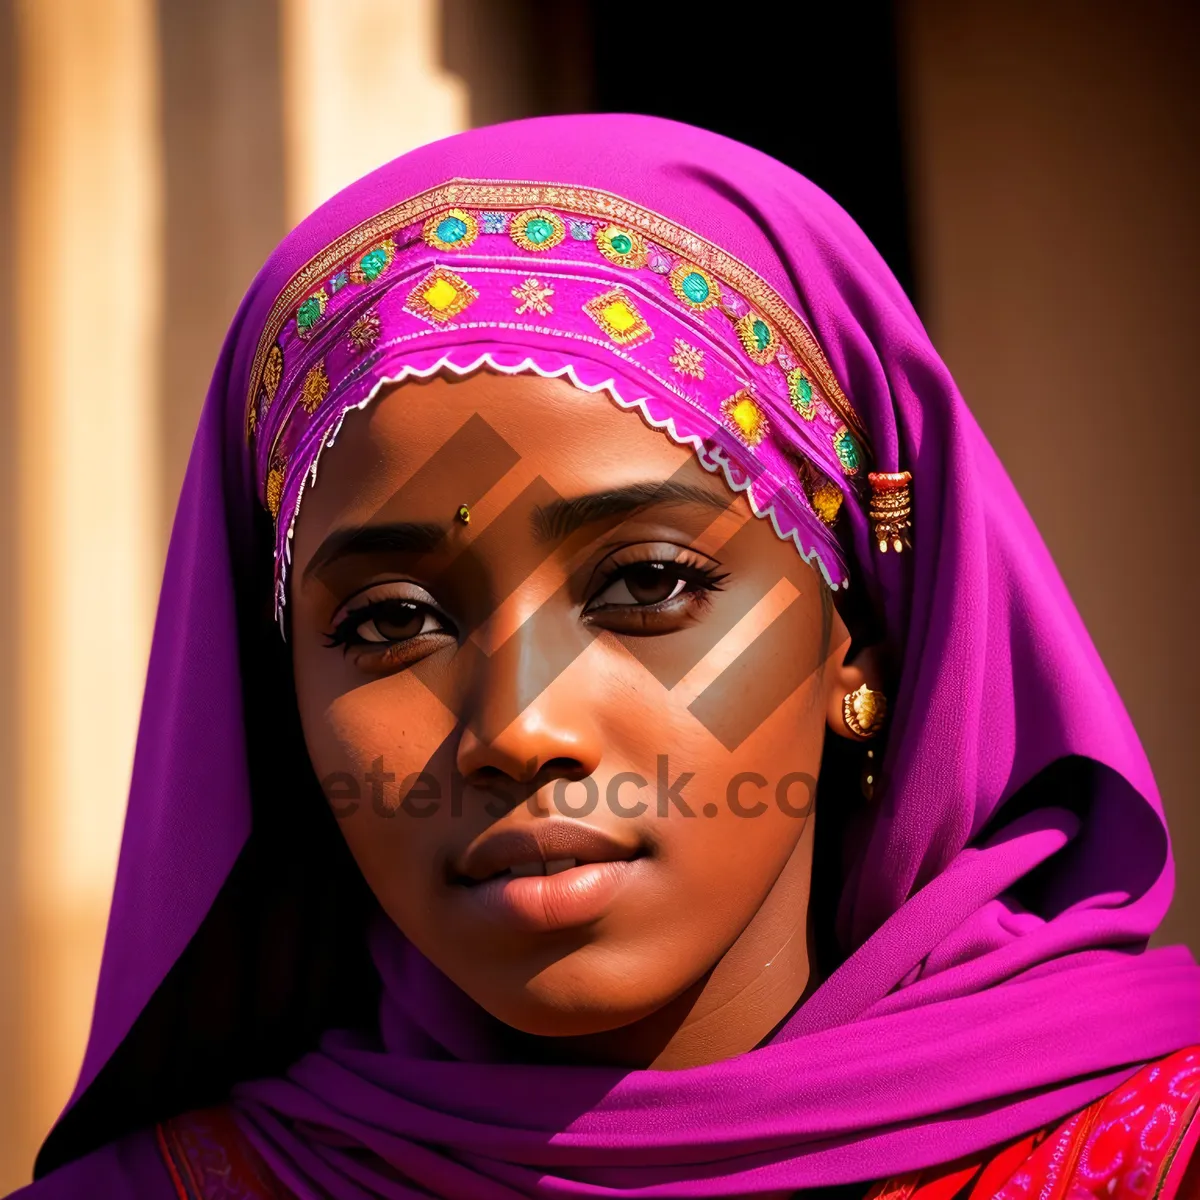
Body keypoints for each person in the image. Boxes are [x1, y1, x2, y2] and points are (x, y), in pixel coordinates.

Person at [10, 114, 1199, 1200]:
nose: (520, 730)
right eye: (389, 620)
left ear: (860, 644)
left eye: (649, 585)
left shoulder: (1152, 1157)